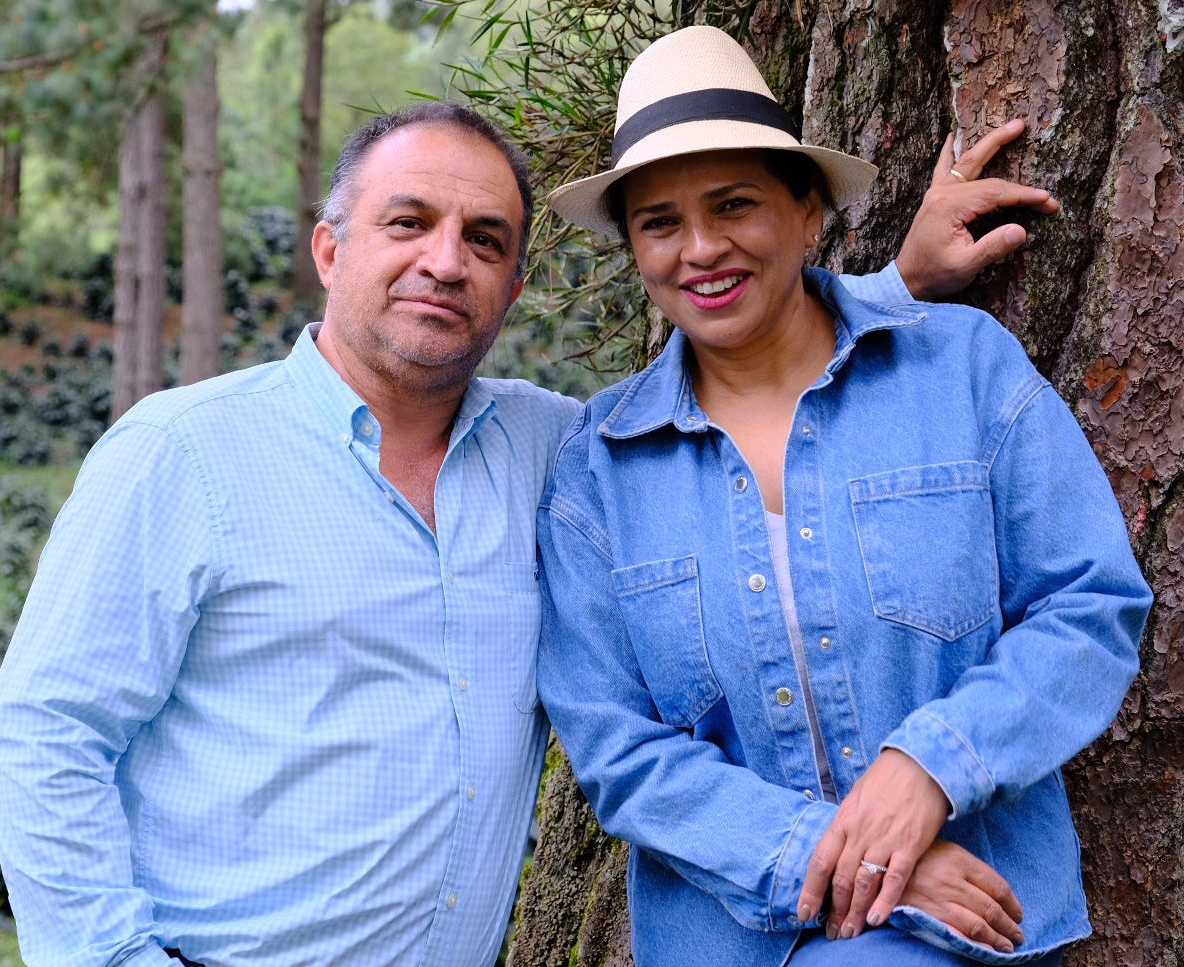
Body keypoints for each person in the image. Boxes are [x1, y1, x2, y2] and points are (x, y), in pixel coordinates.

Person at [0, 86, 1060, 967]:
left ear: (514, 282)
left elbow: (730, 376)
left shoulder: (559, 453)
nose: (444, 260)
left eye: (484, 239)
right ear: (330, 249)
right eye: (406, 222)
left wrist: (894, 289)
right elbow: (45, 734)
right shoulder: (183, 451)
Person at [535, 26, 1152, 967]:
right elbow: (619, 753)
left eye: (734, 203)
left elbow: (1089, 605)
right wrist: (842, 855)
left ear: (809, 211)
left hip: (966, 929)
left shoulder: (961, 374)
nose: (699, 249)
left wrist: (930, 767)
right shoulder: (598, 470)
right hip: (732, 938)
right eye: (659, 222)